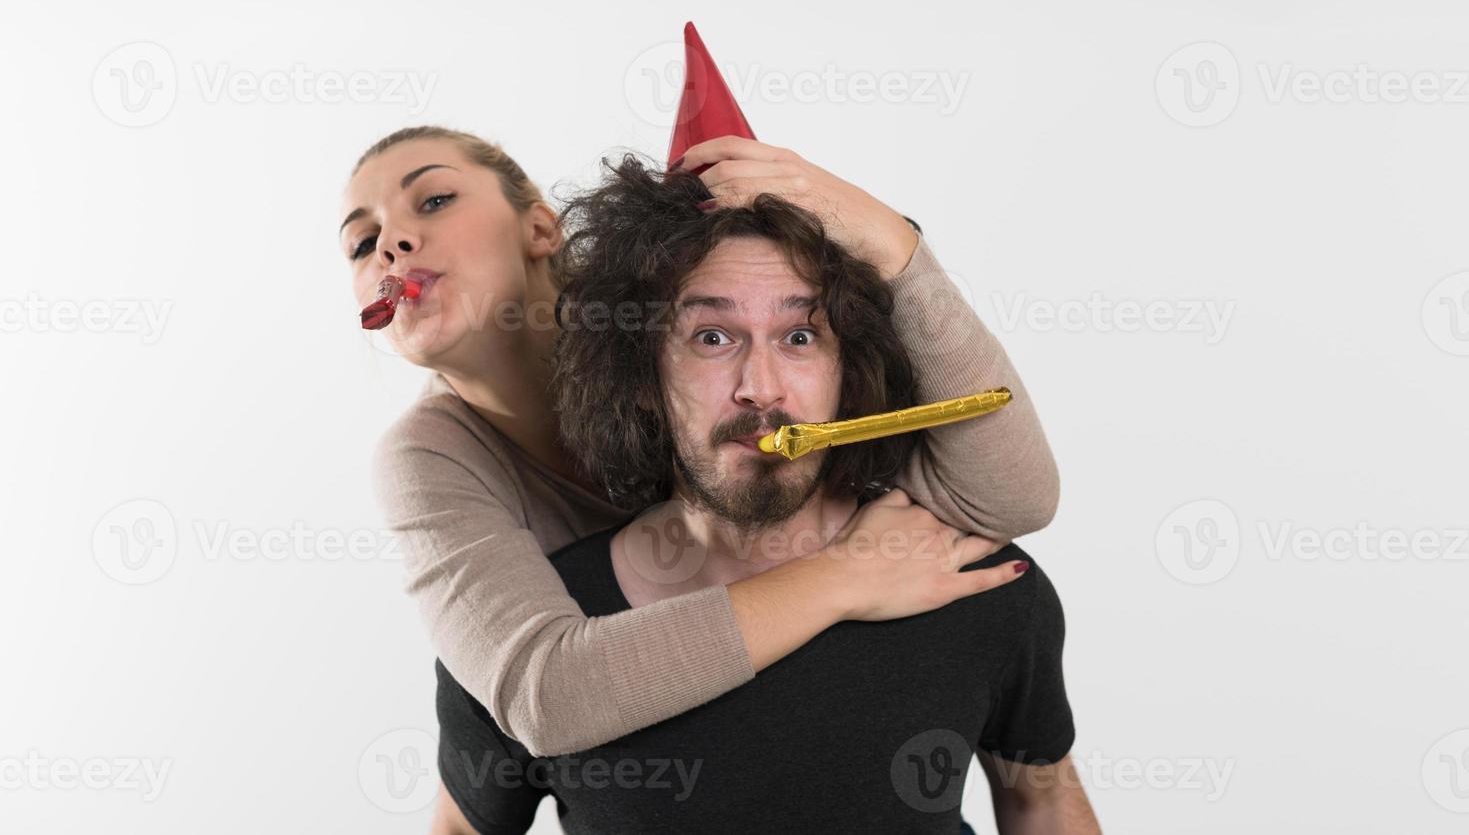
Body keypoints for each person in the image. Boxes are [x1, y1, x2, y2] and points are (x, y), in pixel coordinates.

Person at [430, 158, 1098, 833]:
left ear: (849, 373)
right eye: (712, 338)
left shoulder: (965, 574)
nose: (762, 386)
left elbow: (1038, 798)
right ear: (640, 374)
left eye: (800, 336)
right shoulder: (530, 626)